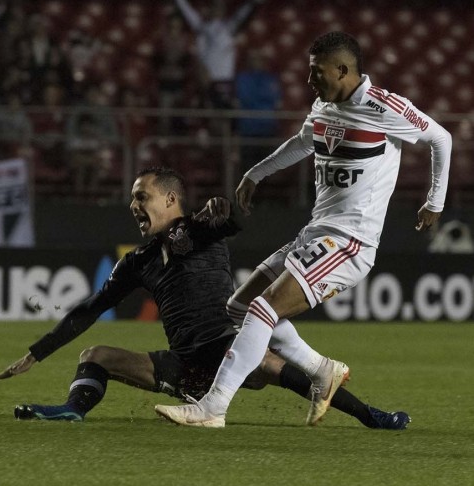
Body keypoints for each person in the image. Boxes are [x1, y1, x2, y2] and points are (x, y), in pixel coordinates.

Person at [155, 31, 451, 428]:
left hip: (350, 240)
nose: (310, 80)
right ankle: (322, 370)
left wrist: (434, 201)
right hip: (316, 233)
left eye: (317, 72)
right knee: (240, 306)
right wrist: (255, 174)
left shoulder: (385, 107)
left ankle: (214, 406)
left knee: (264, 308)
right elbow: (302, 142)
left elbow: (441, 138)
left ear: (343, 70)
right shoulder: (324, 106)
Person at [0, 167, 410, 430]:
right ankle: (72, 410)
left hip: (226, 349)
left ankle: (371, 416)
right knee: (94, 353)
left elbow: (234, 221)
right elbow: (89, 310)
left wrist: (225, 210)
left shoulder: (197, 229)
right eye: (133, 196)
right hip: (185, 365)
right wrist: (35, 354)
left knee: (266, 360)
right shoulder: (136, 262)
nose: (133, 203)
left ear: (170, 199)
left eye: (142, 196)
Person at [159, 0, 272, 113]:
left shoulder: (228, 28)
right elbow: (186, 9)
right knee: (203, 116)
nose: (215, 9)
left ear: (223, 10)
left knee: (223, 116)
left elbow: (245, 12)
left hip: (223, 80)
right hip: (203, 82)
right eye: (213, 6)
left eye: (218, 6)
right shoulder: (201, 27)